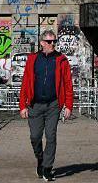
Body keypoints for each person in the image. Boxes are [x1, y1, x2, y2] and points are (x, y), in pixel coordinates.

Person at [20, 29, 74, 182]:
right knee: (35, 137)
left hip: (53, 105)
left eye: (54, 41)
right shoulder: (33, 59)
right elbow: (25, 83)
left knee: (51, 136)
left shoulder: (61, 60)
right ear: (42, 43)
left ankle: (48, 168)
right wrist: (22, 105)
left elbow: (68, 84)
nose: (52, 44)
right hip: (34, 105)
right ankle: (40, 159)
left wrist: (68, 105)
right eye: (49, 41)